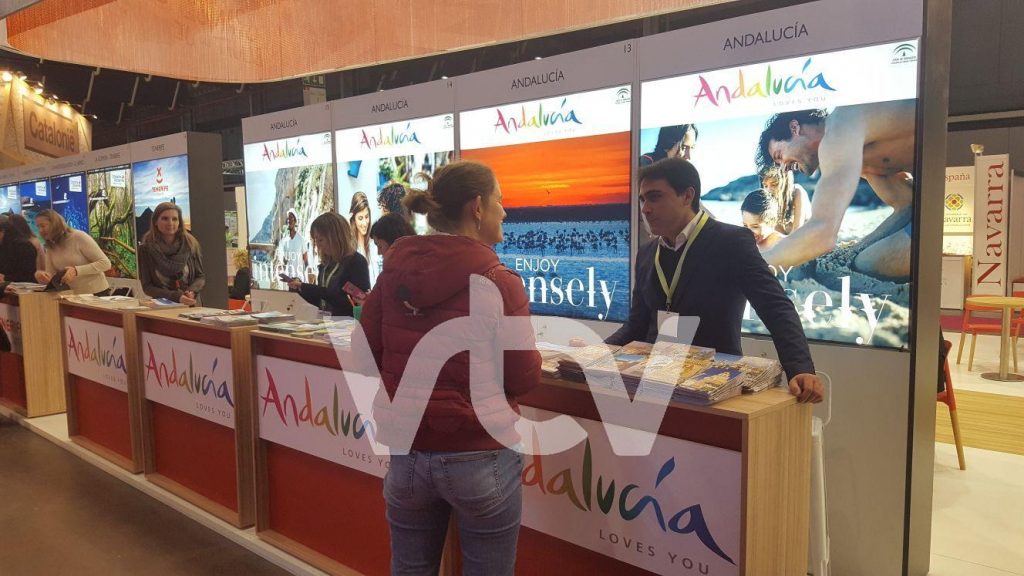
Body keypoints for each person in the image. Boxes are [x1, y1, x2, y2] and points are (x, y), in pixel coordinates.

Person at [359, 160, 540, 575]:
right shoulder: (501, 281)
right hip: (481, 455)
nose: (504, 211)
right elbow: (524, 377)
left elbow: (366, 352)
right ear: (477, 207)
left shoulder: (393, 273)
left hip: (408, 452)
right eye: (499, 201)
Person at [606, 158, 823, 403]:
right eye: (642, 199)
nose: (645, 209)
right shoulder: (647, 253)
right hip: (653, 386)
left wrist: (800, 368)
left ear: (687, 196)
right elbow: (636, 326)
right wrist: (595, 354)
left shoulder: (731, 242)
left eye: (655, 197)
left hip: (713, 388)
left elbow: (774, 306)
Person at [756, 104, 915, 280]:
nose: (783, 169)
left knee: (868, 263)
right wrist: (857, 249)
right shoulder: (855, 153)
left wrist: (753, 265)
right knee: (863, 258)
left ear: (795, 128)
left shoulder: (840, 125)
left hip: (938, 194)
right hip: (932, 197)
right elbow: (907, 205)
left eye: (779, 156)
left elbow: (822, 232)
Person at [287, 212, 369, 317]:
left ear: (335, 237)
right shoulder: (325, 265)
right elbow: (322, 302)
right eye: (315, 240)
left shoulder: (357, 262)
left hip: (347, 325)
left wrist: (309, 288)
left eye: (320, 239)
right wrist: (300, 289)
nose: (318, 245)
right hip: (325, 323)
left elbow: (354, 303)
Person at [138, 202, 205, 305]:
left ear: (179, 222)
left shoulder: (190, 244)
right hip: (163, 307)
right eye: (165, 218)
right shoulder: (146, 249)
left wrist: (191, 291)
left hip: (191, 305)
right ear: (155, 221)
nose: (170, 223)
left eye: (174, 219)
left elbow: (200, 276)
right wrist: (176, 297)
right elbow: (147, 287)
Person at [34, 209, 111, 295]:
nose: (40, 230)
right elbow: (51, 275)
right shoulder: (50, 246)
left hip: (96, 294)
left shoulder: (79, 237)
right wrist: (42, 276)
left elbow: (105, 263)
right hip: (71, 296)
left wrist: (76, 271)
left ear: (55, 224)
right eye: (38, 227)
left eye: (43, 226)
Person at [760, 166, 811, 235]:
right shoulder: (769, 201)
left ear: (785, 183)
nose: (768, 190)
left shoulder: (797, 191)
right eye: (765, 186)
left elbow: (797, 229)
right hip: (789, 238)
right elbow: (778, 233)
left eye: (774, 184)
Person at [349, 191, 379, 281]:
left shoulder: (374, 243)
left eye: (366, 217)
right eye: (360, 218)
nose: (365, 223)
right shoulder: (350, 247)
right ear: (353, 219)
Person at [0, 215, 39, 283]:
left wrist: (5, 277)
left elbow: (27, 274)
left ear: (3, 231)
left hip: (24, 287)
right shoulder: (3, 246)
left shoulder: (24, 246)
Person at [280, 208, 308, 278]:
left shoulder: (301, 239)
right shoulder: (285, 241)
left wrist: (306, 276)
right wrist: (282, 268)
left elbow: (306, 261)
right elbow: (285, 261)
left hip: (299, 279)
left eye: (291, 218)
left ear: (295, 221)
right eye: (288, 219)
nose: (289, 221)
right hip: (289, 279)